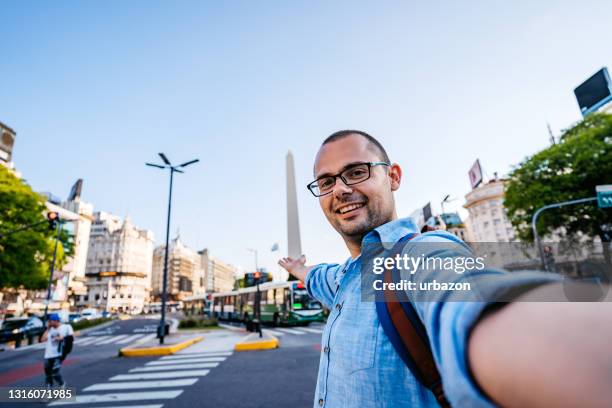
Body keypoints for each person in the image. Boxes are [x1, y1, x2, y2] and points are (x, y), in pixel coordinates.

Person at [279, 130, 612, 408]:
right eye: (326, 182)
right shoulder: (341, 279)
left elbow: (469, 297)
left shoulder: (419, 254)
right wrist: (299, 268)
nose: (339, 189)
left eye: (356, 172)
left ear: (393, 176)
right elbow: (316, 278)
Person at [41, 313, 73, 388]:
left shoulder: (65, 327)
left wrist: (60, 338)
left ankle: (61, 384)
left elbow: (70, 337)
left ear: (56, 321)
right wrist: (48, 329)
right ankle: (48, 390)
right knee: (48, 374)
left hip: (58, 354)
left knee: (55, 373)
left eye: (50, 321)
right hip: (48, 355)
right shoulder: (49, 329)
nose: (49, 322)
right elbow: (42, 339)